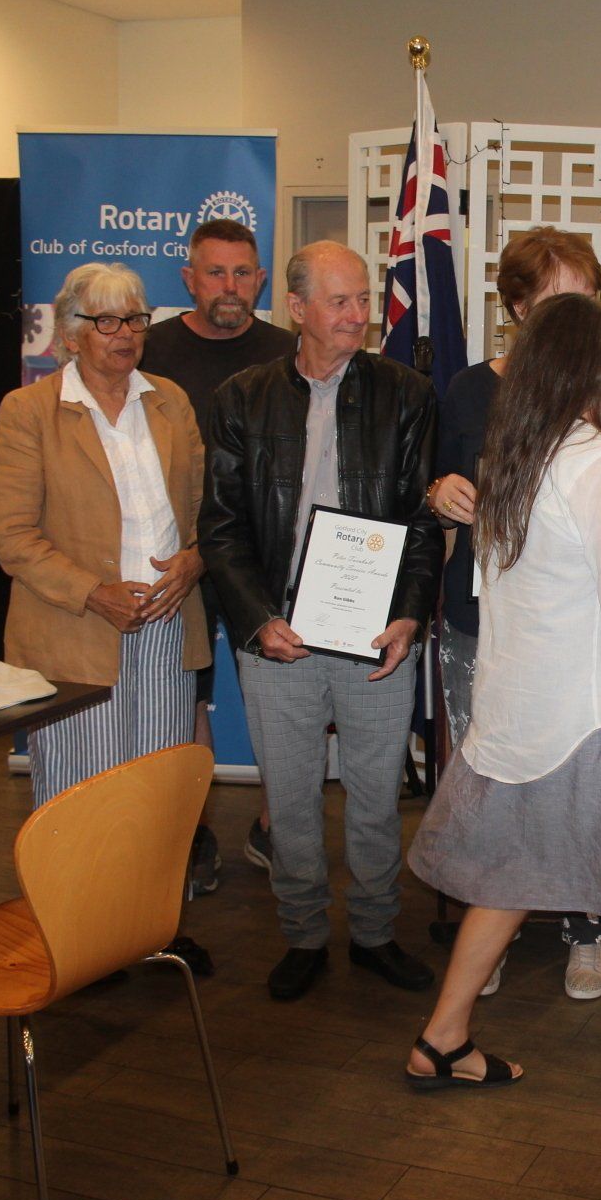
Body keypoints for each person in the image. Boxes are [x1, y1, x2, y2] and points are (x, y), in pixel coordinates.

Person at [405, 292, 601, 1093]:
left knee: (512, 878)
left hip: (519, 715)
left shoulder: (514, 461)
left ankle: (442, 1038)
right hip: (591, 720)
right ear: (596, 370)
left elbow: (523, 601)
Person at [424, 227, 601, 1001]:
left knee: (552, 821)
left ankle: (567, 944)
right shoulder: (479, 398)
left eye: (585, 300)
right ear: (519, 307)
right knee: (518, 815)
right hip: (525, 653)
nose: (574, 315)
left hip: (565, 658)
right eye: (559, 300)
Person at [199, 240, 441, 1002]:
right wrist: (257, 620)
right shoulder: (242, 398)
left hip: (375, 640)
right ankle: (302, 934)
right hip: (281, 639)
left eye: (365, 299)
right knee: (293, 801)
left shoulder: (406, 395)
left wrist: (407, 617)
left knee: (374, 801)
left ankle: (373, 934)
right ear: (297, 309)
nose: (359, 315)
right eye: (340, 301)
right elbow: (222, 527)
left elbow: (423, 522)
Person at [0, 261, 210, 809]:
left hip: (166, 623)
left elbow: (210, 509)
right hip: (74, 629)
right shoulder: (28, 412)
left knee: (158, 798)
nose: (126, 335)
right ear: (68, 334)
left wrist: (194, 560)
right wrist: (94, 593)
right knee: (82, 802)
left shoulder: (170, 400)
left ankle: (149, 898)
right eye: (106, 322)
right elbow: (11, 535)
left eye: (135, 319)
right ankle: (75, 901)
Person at [139, 218, 295, 898]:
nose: (229, 287)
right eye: (215, 273)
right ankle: (188, 834)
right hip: (178, 557)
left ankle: (275, 825)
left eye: (242, 273)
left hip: (270, 557)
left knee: (281, 700)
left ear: (260, 280)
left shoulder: (289, 352)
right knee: (184, 701)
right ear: (187, 280)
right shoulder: (148, 353)